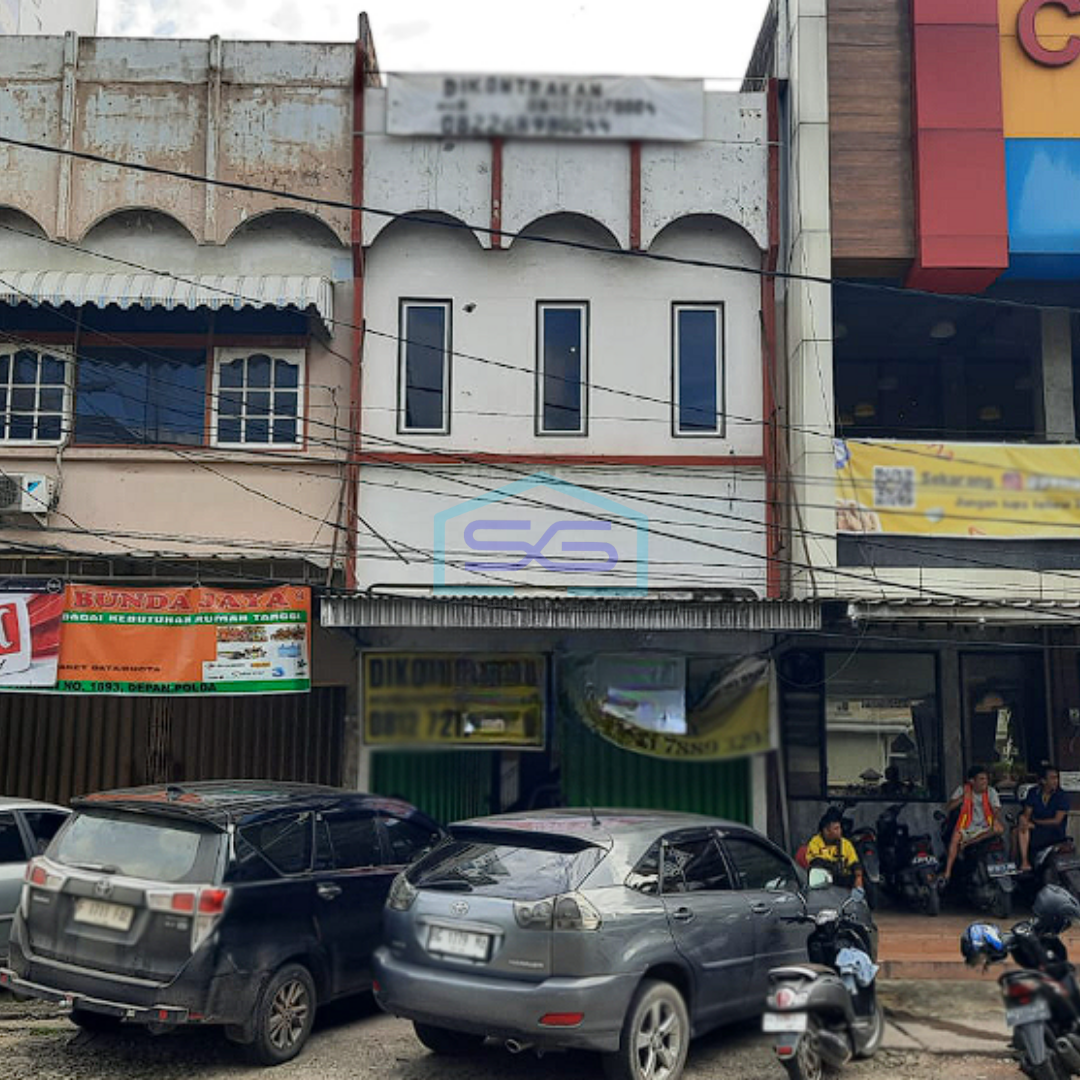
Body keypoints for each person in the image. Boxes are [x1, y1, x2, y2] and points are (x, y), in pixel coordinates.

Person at [942, 764, 1004, 883]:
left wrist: (995, 820)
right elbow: (948, 807)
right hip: (966, 827)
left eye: (986, 779)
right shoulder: (963, 789)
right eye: (981, 779)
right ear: (972, 781)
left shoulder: (991, 791)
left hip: (985, 827)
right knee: (954, 839)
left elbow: (996, 809)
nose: (985, 782)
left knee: (999, 829)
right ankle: (947, 872)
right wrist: (962, 798)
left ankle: (968, 843)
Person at [1016, 764, 1071, 872]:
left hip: (1054, 831)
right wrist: (1023, 819)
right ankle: (1023, 863)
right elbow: (1027, 813)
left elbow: (1057, 821)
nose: (1055, 781)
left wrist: (1036, 822)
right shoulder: (1033, 792)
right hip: (1036, 829)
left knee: (1023, 830)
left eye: (1057, 778)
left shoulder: (1061, 796)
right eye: (1052, 778)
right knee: (1019, 829)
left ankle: (1024, 861)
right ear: (1043, 781)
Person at [805, 808, 864, 890]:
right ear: (826, 831)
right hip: (824, 882)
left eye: (839, 828)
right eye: (836, 829)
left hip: (844, 882)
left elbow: (854, 863)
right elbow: (816, 862)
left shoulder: (846, 844)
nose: (840, 831)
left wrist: (858, 877)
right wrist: (833, 867)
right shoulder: (815, 842)